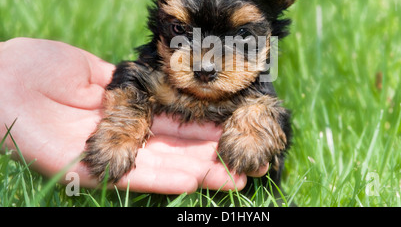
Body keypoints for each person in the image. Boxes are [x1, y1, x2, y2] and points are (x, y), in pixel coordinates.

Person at [0, 37, 268, 194]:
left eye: (242, 36)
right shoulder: (151, 71)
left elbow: (269, 109)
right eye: (180, 31)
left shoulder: (259, 96)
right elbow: (129, 81)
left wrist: (256, 120)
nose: (206, 64)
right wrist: (123, 129)